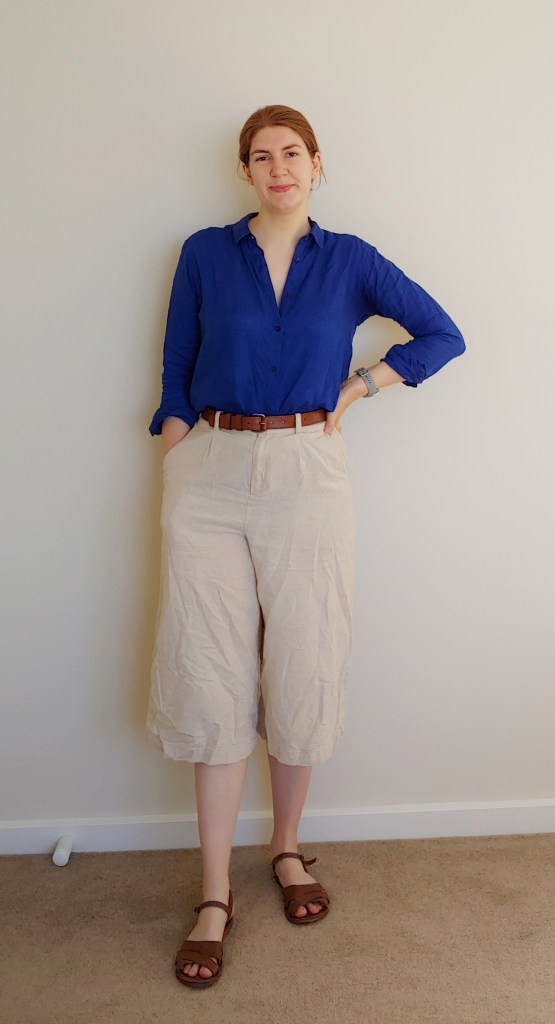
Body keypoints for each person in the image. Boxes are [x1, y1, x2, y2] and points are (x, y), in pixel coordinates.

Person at [146, 104, 466, 988]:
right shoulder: (206, 252)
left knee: (303, 658)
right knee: (209, 672)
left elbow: (444, 334)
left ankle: (286, 850)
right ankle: (215, 892)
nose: (278, 166)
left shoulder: (352, 260)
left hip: (306, 470)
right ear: (245, 170)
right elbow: (175, 361)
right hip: (207, 470)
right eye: (261, 155)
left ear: (316, 165)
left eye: (292, 152)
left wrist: (361, 386)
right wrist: (181, 441)